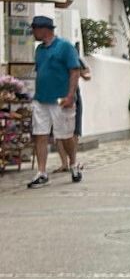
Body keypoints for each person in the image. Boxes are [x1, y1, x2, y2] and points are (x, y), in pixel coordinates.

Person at [26, 15, 83, 187]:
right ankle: (42, 172)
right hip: (41, 98)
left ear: (44, 29)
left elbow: (75, 71)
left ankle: (73, 164)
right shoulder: (39, 50)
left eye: (35, 29)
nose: (33, 32)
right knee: (40, 134)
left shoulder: (65, 47)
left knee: (65, 135)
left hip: (60, 98)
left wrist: (70, 96)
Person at [58, 52, 91, 173]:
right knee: (58, 130)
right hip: (56, 95)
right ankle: (64, 163)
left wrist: (79, 73)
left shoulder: (74, 57)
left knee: (74, 130)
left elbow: (87, 73)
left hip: (73, 96)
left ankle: (73, 161)